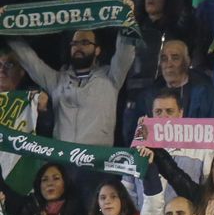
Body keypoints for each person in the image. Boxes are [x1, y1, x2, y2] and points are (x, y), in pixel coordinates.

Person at [5, 10, 137, 148]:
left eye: (84, 42)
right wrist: (6, 26)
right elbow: (30, 60)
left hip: (96, 157)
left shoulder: (111, 77)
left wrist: (127, 15)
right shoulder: (57, 81)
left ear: (97, 50)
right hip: (63, 157)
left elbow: (125, 52)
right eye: (74, 43)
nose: (78, 47)